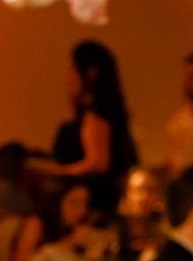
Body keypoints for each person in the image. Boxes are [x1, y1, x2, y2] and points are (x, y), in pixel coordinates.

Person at [32, 40, 139, 213]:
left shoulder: (95, 116)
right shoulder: (114, 117)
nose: (68, 79)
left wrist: (60, 171)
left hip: (93, 208)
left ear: (90, 73)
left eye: (72, 71)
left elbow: (98, 163)